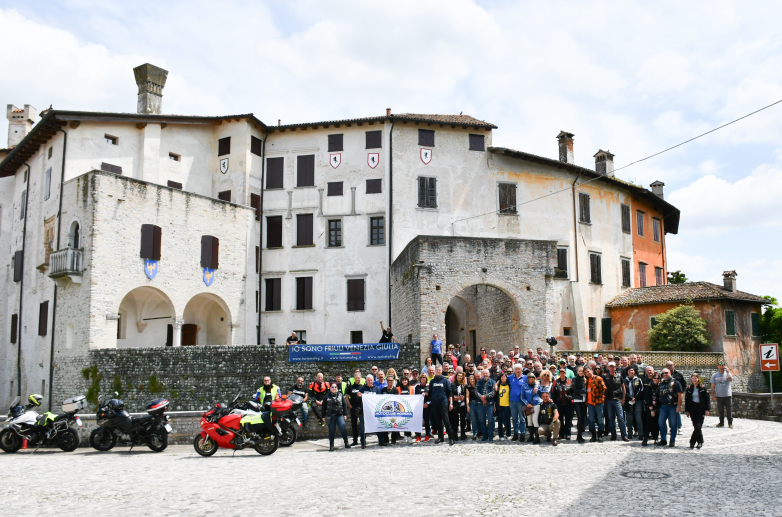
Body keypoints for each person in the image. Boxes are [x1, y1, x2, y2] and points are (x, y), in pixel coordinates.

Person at [428, 365, 455, 445]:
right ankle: (440, 437)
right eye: (437, 370)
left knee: (446, 421)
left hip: (443, 403)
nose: (438, 371)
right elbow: (430, 392)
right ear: (435, 371)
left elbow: (449, 393)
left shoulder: (445, 380)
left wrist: (451, 403)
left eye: (439, 370)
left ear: (442, 370)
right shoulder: (432, 381)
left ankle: (451, 438)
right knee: (438, 421)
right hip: (434, 404)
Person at [602, 361, 629, 442]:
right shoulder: (605, 377)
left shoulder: (619, 376)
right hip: (608, 400)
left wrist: (623, 399)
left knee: (621, 418)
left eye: (613, 366)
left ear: (615, 367)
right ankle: (613, 435)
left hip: (618, 400)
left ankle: (624, 435)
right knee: (611, 418)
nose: (612, 368)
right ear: (608, 367)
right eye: (610, 366)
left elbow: (623, 388)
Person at [657, 368, 683, 447]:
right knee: (661, 422)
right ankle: (663, 439)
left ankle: (672, 440)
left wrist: (679, 406)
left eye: (666, 373)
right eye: (663, 373)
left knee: (673, 424)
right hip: (663, 406)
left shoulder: (675, 382)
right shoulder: (661, 383)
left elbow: (680, 394)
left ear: (670, 373)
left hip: (673, 406)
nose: (664, 374)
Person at [685, 374, 710, 449]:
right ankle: (700, 441)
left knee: (698, 426)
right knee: (696, 426)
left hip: (701, 408)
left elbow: (707, 399)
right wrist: (687, 410)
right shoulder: (689, 388)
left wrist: (707, 409)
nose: (694, 380)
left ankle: (692, 441)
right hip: (693, 408)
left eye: (695, 378)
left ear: (698, 379)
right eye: (693, 378)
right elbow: (687, 400)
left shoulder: (703, 388)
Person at [323, 382, 350, 451]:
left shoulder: (340, 395)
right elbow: (324, 407)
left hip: (339, 414)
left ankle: (346, 442)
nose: (334, 388)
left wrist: (345, 414)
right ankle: (331, 445)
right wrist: (323, 416)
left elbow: (344, 405)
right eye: (332, 387)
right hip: (330, 415)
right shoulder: (326, 396)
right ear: (330, 388)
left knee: (343, 428)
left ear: (337, 388)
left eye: (335, 387)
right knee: (331, 431)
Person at [358, 375, 381, 448]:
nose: (370, 381)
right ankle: (363, 443)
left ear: (373, 381)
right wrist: (358, 396)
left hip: (374, 412)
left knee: (378, 425)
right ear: (366, 381)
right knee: (363, 428)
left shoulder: (376, 389)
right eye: (369, 380)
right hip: (364, 412)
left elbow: (379, 400)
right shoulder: (362, 389)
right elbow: (358, 400)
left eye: (371, 380)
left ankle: (381, 441)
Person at [710, 362, 733, 428]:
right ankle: (721, 422)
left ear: (724, 366)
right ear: (718, 367)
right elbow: (712, 385)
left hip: (727, 395)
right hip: (719, 395)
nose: (721, 367)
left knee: (729, 410)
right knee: (720, 410)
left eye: (722, 365)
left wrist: (727, 371)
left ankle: (730, 423)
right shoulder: (715, 375)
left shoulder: (727, 374)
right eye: (720, 365)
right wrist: (713, 394)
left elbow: (730, 379)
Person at [585, 368, 605, 442]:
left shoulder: (599, 378)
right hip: (590, 403)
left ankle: (600, 435)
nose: (587, 373)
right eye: (585, 372)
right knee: (591, 419)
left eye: (588, 371)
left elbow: (604, 389)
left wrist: (601, 399)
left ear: (591, 370)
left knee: (600, 419)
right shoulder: (586, 380)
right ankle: (593, 435)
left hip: (598, 402)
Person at [476, 369, 496, 442]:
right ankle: (485, 435)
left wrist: (485, 397)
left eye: (486, 373)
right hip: (480, 404)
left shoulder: (493, 382)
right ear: (482, 375)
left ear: (489, 374)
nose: (485, 375)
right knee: (482, 421)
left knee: (491, 421)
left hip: (489, 404)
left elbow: (493, 392)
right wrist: (481, 397)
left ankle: (490, 436)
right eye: (484, 373)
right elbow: (476, 391)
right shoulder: (478, 382)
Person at [623, 368, 644, 439]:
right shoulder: (624, 380)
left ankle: (640, 433)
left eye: (632, 370)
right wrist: (630, 398)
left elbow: (641, 390)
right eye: (629, 370)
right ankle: (630, 433)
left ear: (634, 371)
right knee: (629, 418)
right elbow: (623, 391)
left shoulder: (638, 379)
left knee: (638, 417)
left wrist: (635, 397)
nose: (630, 372)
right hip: (628, 401)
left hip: (637, 400)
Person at [552, 368, 573, 440]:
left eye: (563, 373)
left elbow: (573, 391)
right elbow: (553, 392)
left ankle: (568, 434)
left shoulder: (570, 381)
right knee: (560, 419)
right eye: (561, 373)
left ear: (565, 374)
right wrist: (554, 402)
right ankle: (561, 434)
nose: (562, 374)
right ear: (559, 374)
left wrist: (571, 398)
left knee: (568, 419)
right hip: (559, 403)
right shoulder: (556, 382)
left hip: (568, 403)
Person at [508, 364, 527, 441]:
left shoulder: (525, 377)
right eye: (516, 369)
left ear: (521, 369)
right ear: (514, 370)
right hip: (512, 401)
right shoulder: (510, 377)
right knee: (514, 418)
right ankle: (515, 433)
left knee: (522, 418)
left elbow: (533, 382)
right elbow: (501, 380)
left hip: (521, 401)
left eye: (519, 369)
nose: (517, 370)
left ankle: (522, 433)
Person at [346, 371, 365, 446]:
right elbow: (347, 398)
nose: (357, 379)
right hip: (353, 408)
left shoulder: (363, 387)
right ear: (354, 378)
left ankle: (363, 440)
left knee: (362, 424)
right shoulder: (350, 387)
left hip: (361, 408)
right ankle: (355, 440)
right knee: (354, 425)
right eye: (356, 378)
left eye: (358, 378)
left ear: (360, 378)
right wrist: (350, 406)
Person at [521, 373, 541, 444]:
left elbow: (541, 394)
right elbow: (522, 397)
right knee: (529, 421)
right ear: (527, 378)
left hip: (536, 404)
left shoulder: (537, 385)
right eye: (529, 377)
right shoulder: (524, 386)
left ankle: (537, 437)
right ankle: (531, 436)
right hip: (528, 405)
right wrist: (527, 403)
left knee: (535, 420)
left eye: (533, 377)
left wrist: (537, 388)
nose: (531, 378)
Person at [642, 367, 660, 446]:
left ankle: (656, 438)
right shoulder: (649, 386)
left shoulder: (660, 387)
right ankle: (645, 438)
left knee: (656, 423)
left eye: (657, 378)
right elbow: (647, 398)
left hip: (658, 407)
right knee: (648, 423)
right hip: (650, 407)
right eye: (654, 378)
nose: (656, 379)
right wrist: (651, 409)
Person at [666, 360, 687, 431]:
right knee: (669, 412)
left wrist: (681, 392)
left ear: (674, 365)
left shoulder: (679, 374)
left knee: (677, 411)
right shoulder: (664, 374)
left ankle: (679, 426)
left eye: (670, 365)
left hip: (677, 396)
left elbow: (684, 384)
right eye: (667, 365)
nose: (669, 367)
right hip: (668, 397)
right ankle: (672, 427)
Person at [450, 371, 468, 441]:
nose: (459, 377)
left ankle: (463, 433)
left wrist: (464, 397)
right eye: (458, 376)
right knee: (455, 420)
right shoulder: (452, 384)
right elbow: (450, 393)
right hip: (455, 404)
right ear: (456, 376)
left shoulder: (465, 385)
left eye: (461, 376)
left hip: (462, 404)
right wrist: (454, 397)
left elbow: (467, 394)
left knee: (463, 420)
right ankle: (455, 434)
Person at [571, 366, 587, 443]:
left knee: (583, 418)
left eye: (582, 371)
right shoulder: (575, 379)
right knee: (580, 417)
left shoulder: (585, 378)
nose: (581, 372)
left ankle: (580, 434)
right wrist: (585, 391)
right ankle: (579, 435)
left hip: (584, 400)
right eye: (580, 371)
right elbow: (575, 390)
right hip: (577, 400)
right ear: (577, 372)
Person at [415, 374, 432, 442]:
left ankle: (427, 435)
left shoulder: (429, 386)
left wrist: (427, 403)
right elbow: (415, 396)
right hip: (419, 406)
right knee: (418, 421)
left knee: (427, 421)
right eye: (421, 377)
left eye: (424, 377)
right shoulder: (417, 386)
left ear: (426, 378)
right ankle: (418, 436)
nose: (423, 378)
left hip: (427, 406)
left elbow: (431, 396)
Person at [398, 376, 415, 443]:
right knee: (404, 423)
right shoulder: (398, 388)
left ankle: (409, 436)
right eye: (403, 380)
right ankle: (406, 435)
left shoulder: (412, 388)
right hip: (401, 408)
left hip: (409, 408)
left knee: (408, 422)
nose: (404, 381)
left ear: (408, 381)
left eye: (406, 380)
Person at [495, 372, 511, 441]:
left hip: (507, 405)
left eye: (505, 377)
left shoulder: (509, 385)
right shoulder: (498, 385)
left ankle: (508, 434)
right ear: (500, 378)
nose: (503, 378)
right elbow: (495, 395)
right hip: (500, 406)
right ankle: (501, 435)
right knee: (500, 421)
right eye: (502, 377)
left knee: (508, 420)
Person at [467, 374, 481, 440]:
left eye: (473, 379)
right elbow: (467, 397)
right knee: (473, 419)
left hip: (479, 403)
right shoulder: (468, 387)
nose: (472, 380)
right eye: (471, 379)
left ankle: (480, 431)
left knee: (480, 418)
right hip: (472, 403)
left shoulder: (478, 386)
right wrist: (467, 406)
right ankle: (475, 433)